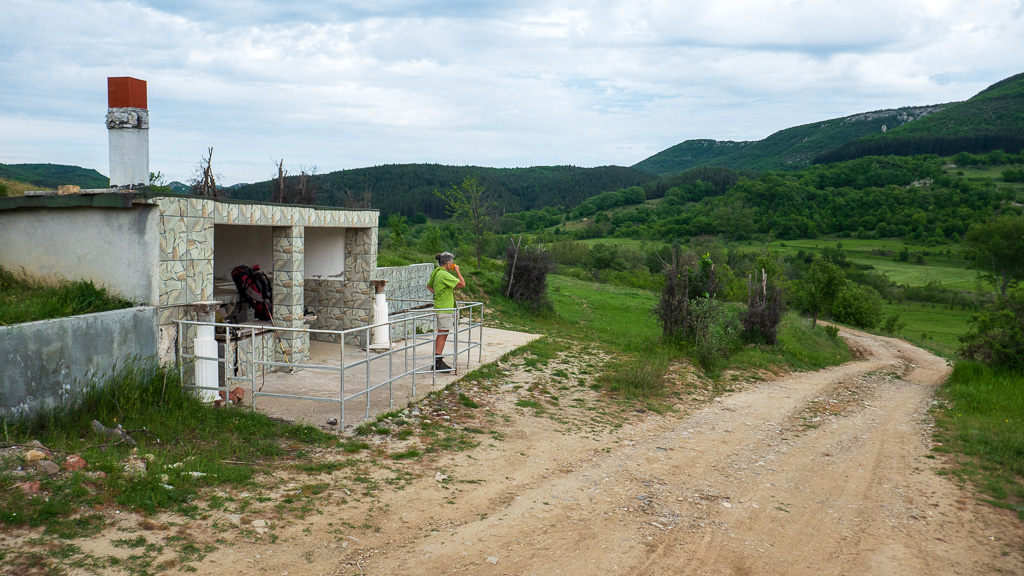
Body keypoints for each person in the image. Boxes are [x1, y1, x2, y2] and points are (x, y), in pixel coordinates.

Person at [427, 252, 465, 371]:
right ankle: (438, 362)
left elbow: (429, 286)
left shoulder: (436, 272)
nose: (453, 264)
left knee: (441, 333)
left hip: (440, 306)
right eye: (452, 262)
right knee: (443, 334)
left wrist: (439, 294)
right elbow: (462, 284)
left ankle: (438, 360)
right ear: (448, 263)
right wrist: (457, 271)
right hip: (445, 308)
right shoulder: (444, 274)